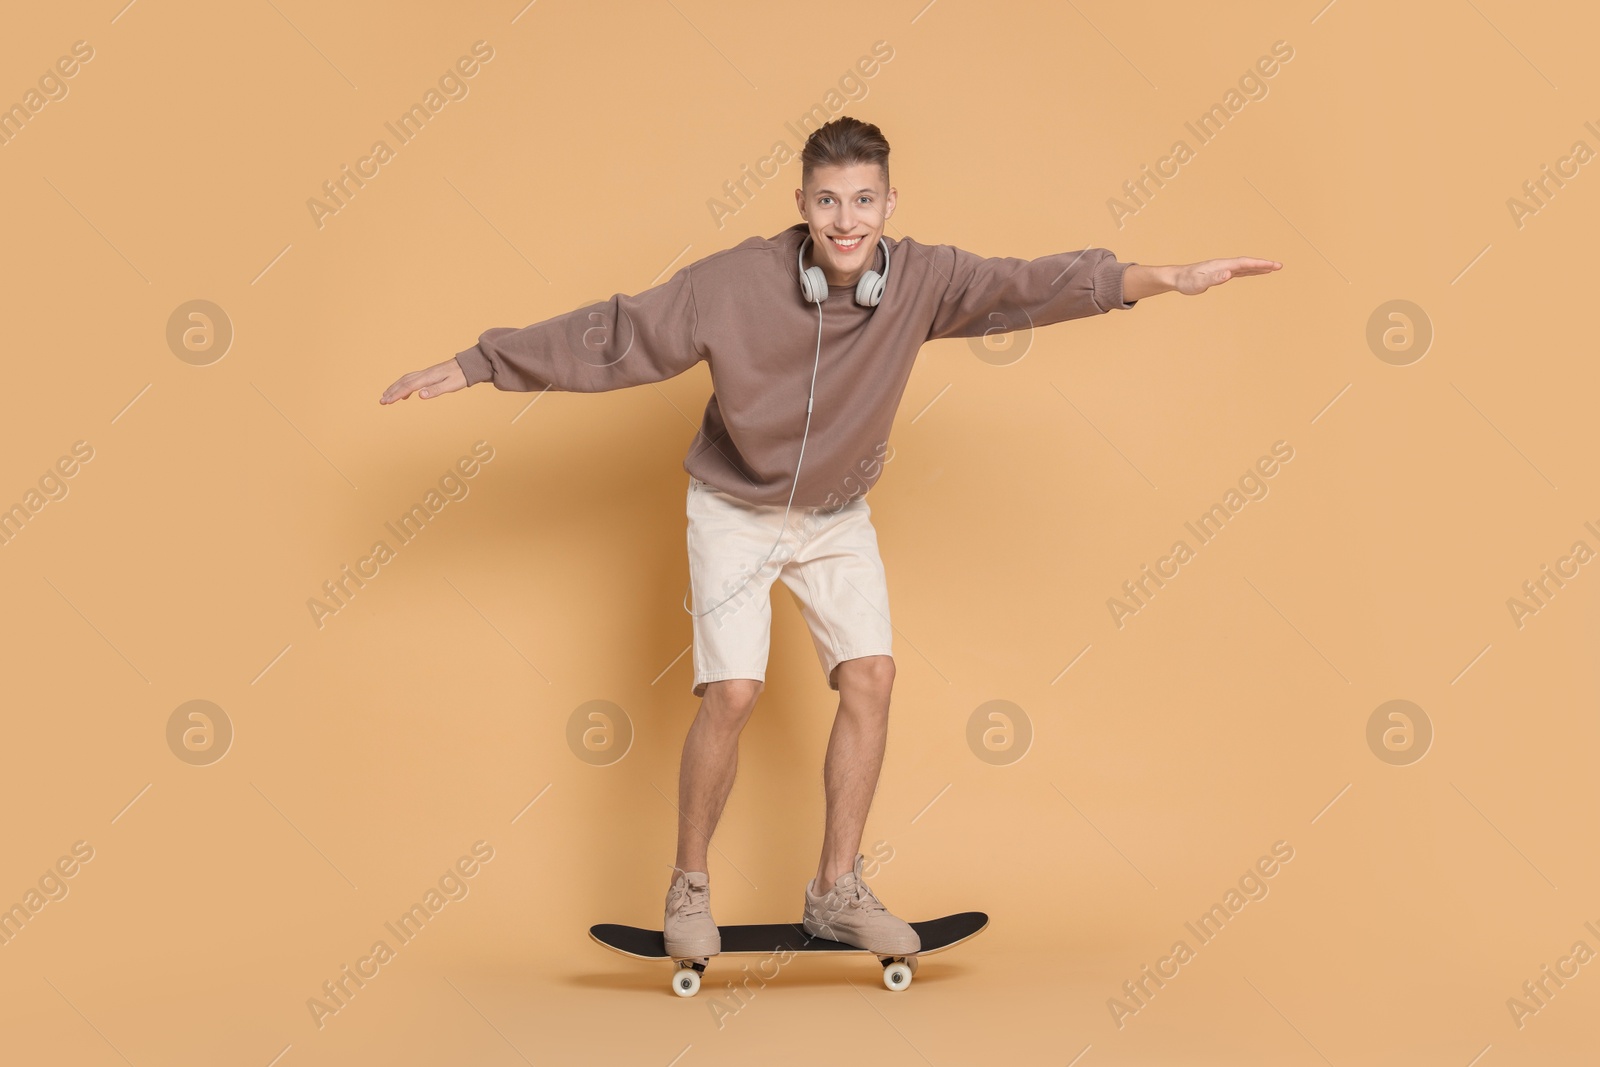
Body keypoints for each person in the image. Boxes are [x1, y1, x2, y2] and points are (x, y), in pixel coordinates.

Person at [379, 116, 1281, 960]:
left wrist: (1163, 279)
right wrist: (475, 363)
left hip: (837, 514)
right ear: (801, 205)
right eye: (825, 201)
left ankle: (836, 891)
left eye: (862, 200)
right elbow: (617, 333)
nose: (844, 220)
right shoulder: (728, 284)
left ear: (890, 205)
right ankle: (689, 887)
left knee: (872, 676)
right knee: (732, 692)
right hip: (732, 507)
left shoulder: (926, 279)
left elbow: (1030, 285)